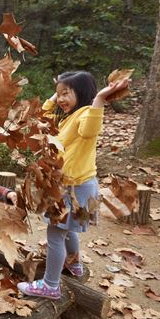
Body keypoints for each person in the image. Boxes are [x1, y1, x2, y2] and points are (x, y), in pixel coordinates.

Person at [17, 71, 129, 300]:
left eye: (66, 94)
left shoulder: (87, 114)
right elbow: (41, 114)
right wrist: (58, 90)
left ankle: (50, 285)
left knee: (56, 234)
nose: (60, 99)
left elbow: (90, 130)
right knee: (66, 231)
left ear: (83, 92)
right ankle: (74, 263)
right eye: (59, 94)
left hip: (75, 189)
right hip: (73, 186)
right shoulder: (68, 116)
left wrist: (99, 99)